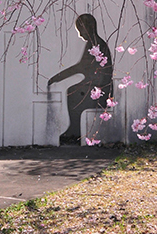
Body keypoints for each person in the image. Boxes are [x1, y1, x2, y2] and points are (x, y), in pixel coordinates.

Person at [48, 14, 113, 142]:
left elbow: (81, 67)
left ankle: (74, 131)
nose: (80, 35)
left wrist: (58, 77)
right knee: (73, 91)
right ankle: (74, 129)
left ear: (88, 28)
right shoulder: (94, 43)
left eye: (80, 30)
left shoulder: (96, 44)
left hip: (101, 87)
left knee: (73, 93)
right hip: (96, 83)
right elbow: (83, 68)